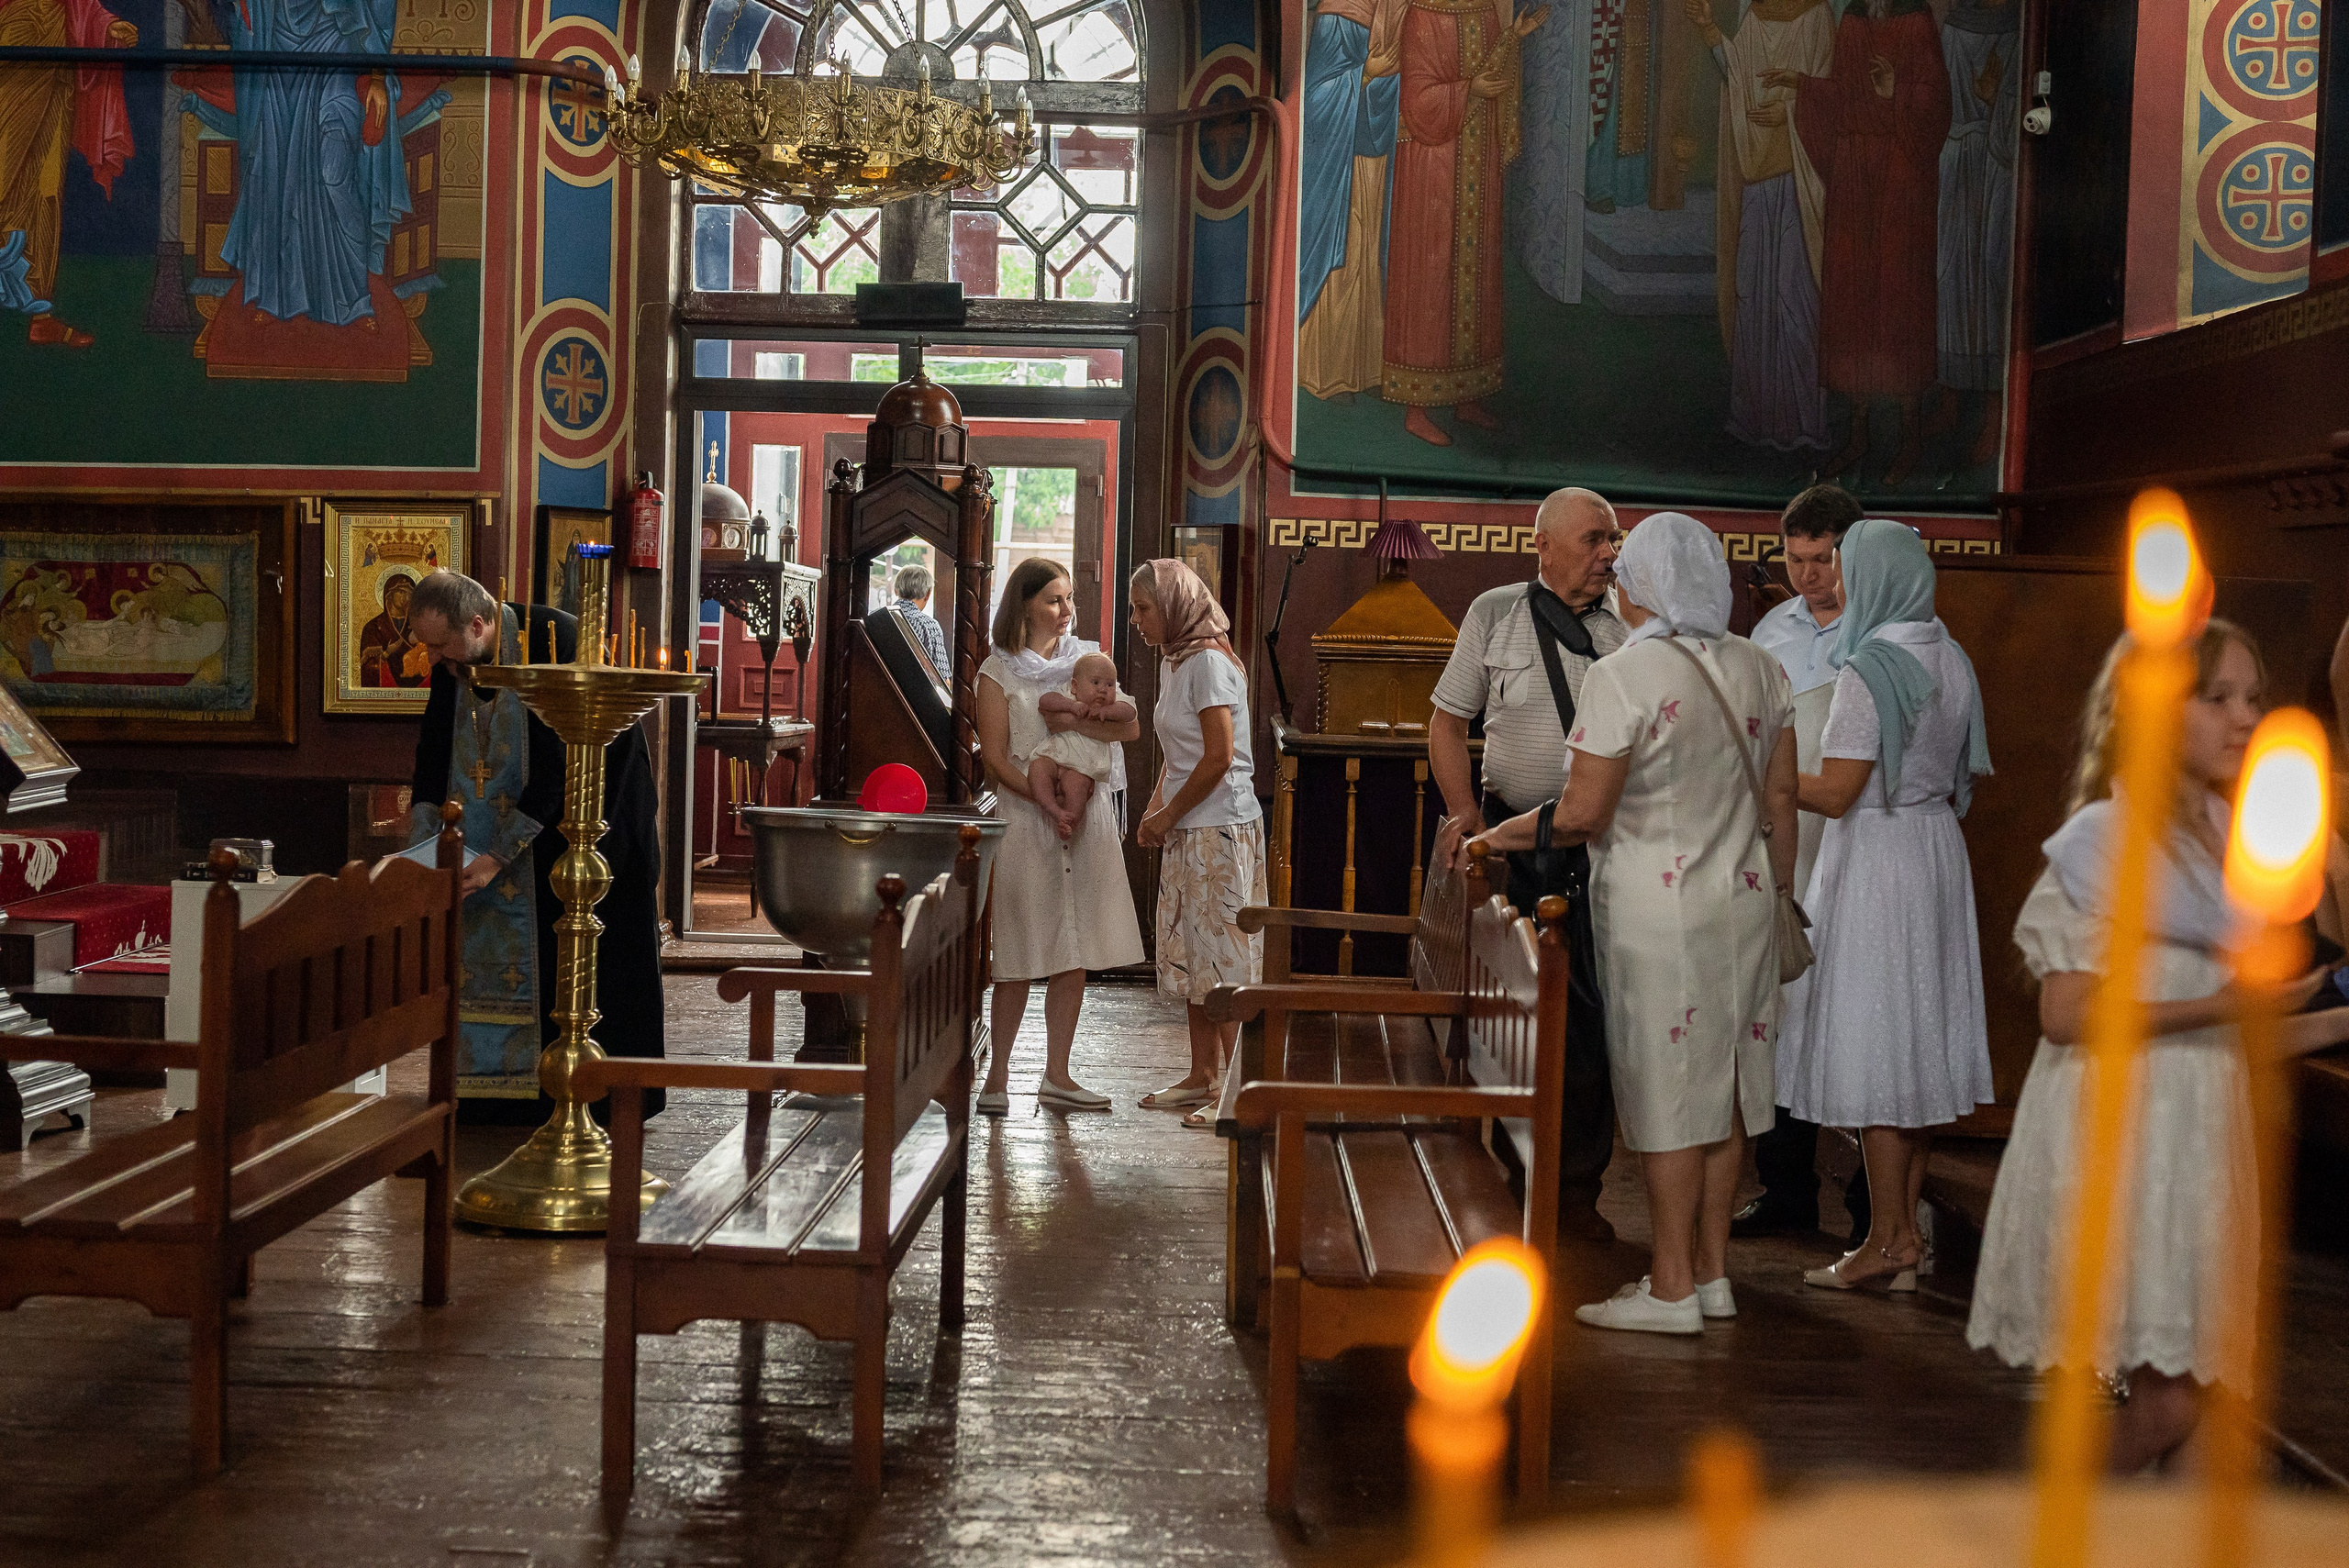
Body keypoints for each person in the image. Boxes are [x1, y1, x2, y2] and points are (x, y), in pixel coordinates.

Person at [1966, 622, 2349, 1472]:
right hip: (2126, 1131)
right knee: (2173, 1400)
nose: (2246, 716)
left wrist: (2327, 1017)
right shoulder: (2108, 839)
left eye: (2254, 696)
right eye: (2218, 698)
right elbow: (2067, 1013)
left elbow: (2236, 1024)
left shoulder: (2230, 842)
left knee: (2210, 1415)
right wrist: (2223, 999)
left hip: (2201, 1129)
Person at [1466, 513, 1797, 1333]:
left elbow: (1581, 813)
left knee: (1665, 1094)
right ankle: (1714, 1276)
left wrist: (1493, 833)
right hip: (1748, 903)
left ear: (1639, 583)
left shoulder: (1624, 673)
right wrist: (1775, 884)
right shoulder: (1761, 665)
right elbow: (1783, 797)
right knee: (1723, 1095)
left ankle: (1672, 1285)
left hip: (1661, 912)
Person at [1776, 519, 1992, 1288]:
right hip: (1934, 849)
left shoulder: (1870, 668)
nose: (1836, 577)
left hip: (1878, 857)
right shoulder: (1951, 654)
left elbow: (1835, 793)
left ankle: (1891, 1236)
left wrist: (1766, 772)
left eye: (1843, 565)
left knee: (1878, 1043)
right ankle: (1901, 1239)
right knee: (1918, 1047)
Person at [1430, 486, 1626, 1241]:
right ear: (1541, 545)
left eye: (1613, 538)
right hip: (1515, 852)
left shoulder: (1632, 624)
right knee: (1514, 1022)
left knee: (1592, 1030)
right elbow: (1447, 723)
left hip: (1606, 851)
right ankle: (1514, 1178)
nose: (1608, 552)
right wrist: (1465, 814)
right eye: (1592, 539)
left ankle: (1575, 1191)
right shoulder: (1495, 613)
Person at [406, 571, 665, 1121]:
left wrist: (499, 855)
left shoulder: (557, 644)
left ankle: (594, 1095)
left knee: (590, 947)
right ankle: (493, 1098)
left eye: (440, 646)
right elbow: (432, 750)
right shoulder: (455, 659)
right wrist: (422, 846)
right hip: (505, 822)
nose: (431, 660)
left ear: (478, 625)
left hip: (597, 812)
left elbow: (557, 769)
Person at [1739, 482, 1867, 1239]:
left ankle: (1864, 1204)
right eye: (1797, 559)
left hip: (1853, 839)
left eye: (1823, 559)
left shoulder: (1880, 632)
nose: (1810, 575)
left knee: (1850, 1016)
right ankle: (1783, 1188)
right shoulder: (1769, 634)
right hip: (1784, 838)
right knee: (1779, 1010)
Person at [974, 559, 1145, 1116]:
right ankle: (997, 1078)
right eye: (1054, 600)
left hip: (1086, 816)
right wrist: (1044, 801)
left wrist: (1075, 731)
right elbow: (997, 758)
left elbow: (1131, 727)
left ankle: (1058, 1075)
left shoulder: (1086, 661)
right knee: (1021, 948)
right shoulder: (996, 674)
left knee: (1074, 949)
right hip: (1027, 818)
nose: (1067, 611)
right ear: (1022, 605)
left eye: (1069, 599)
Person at [1773, 0, 1952, 486]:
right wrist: (1805, 87)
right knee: (1853, 300)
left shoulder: (1916, 24)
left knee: (1898, 299)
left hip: (1900, 176)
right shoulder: (1850, 21)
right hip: (1853, 173)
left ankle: (1910, 437)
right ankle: (1858, 435)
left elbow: (1936, 105)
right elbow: (1844, 94)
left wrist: (1897, 95)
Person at [1129, 559, 1267, 1128]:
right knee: (1192, 953)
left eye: (1143, 609)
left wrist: (1172, 816)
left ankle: (1237, 1092)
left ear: (1176, 607)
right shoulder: (1177, 660)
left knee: (1223, 960)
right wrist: (1155, 809)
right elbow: (1178, 755)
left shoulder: (1207, 662)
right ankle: (1202, 1075)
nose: (1136, 620)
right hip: (1191, 824)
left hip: (1218, 828)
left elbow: (1217, 758)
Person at [1382, 0, 1548, 446]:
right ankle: (1417, 408)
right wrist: (1470, 89)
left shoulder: (1482, 11)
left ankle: (1467, 396)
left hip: (1478, 163)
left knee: (1475, 276)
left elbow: (1495, 68)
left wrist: (1514, 37)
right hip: (1432, 168)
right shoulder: (1422, 13)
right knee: (1429, 278)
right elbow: (1416, 99)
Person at [209, 0, 412, 328]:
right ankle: (277, 296)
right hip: (279, 61)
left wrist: (377, 75)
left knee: (334, 176)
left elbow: (380, 8)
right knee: (275, 174)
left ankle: (354, 298)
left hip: (338, 54)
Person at [1691, 0, 1835, 453]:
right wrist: (1713, 33)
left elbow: (1835, 99)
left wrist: (1791, 112)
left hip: (1799, 184)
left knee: (1796, 298)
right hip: (1757, 182)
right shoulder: (1756, 14)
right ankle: (1755, 418)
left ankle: (1803, 424)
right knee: (1753, 293)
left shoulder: (1817, 19)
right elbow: (1738, 75)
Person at [0, 0, 135, 347]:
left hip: (60, 43)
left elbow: (80, 4)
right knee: (5, 167)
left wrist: (106, 27)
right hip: (18, 33)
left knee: (46, 185)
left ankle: (40, 315)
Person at [1297, 0, 1403, 399]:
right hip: (1338, 161)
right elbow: (1314, 95)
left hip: (1376, 149)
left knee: (1369, 257)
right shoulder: (1339, 12)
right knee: (1346, 254)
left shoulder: (1394, 10)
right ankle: (1329, 373)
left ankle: (1367, 369)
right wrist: (1363, 75)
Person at [1030, 651, 1132, 840]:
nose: (1103, 689)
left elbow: (1130, 713)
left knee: (1078, 788)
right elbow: (1045, 700)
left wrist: (1108, 710)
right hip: (1053, 756)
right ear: (1075, 686)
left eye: (1109, 685)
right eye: (1095, 683)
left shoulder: (1114, 702)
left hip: (1082, 767)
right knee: (1037, 768)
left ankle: (1069, 821)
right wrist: (1069, 705)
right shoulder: (1068, 693)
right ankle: (1053, 809)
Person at [890, 562, 952, 677]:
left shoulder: (874, 619)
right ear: (928, 593)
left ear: (896, 590)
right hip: (915, 694)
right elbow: (943, 680)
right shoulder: (929, 625)